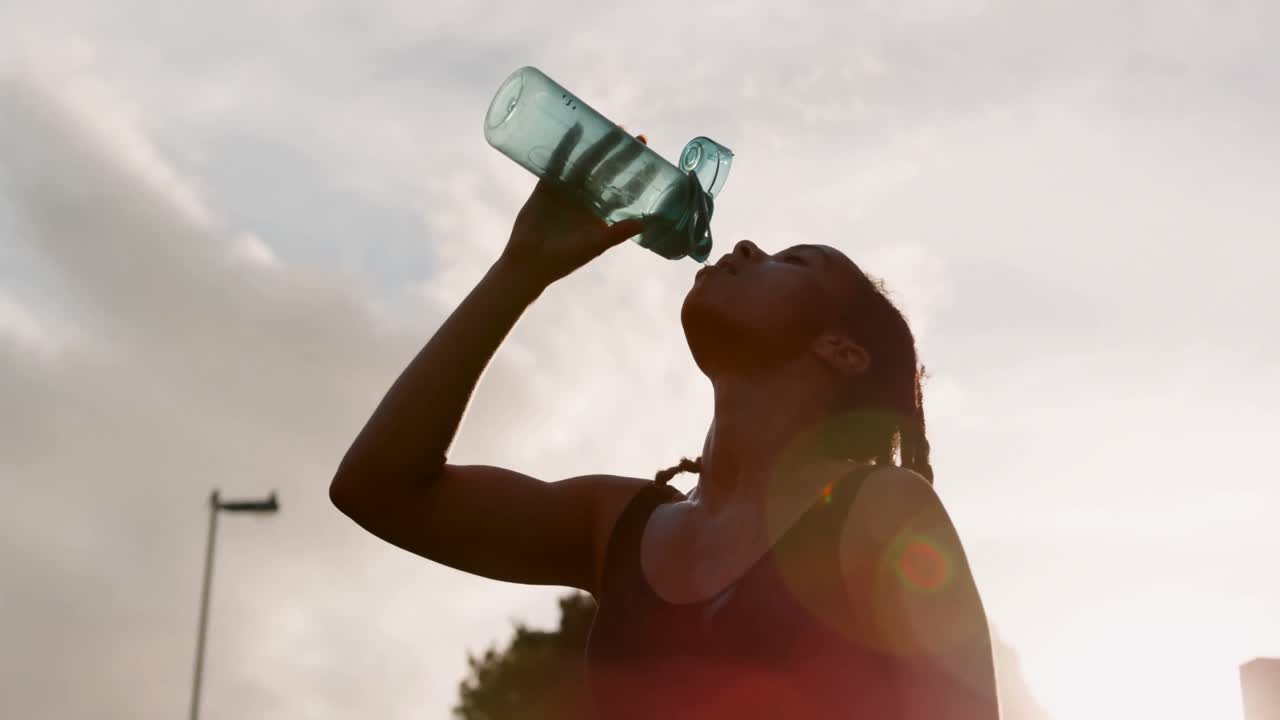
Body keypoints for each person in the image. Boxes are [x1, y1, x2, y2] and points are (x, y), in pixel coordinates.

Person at [330, 133, 1000, 719]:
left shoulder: (882, 511)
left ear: (842, 351)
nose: (743, 245)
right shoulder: (618, 524)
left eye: (794, 261)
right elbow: (379, 490)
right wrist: (522, 268)